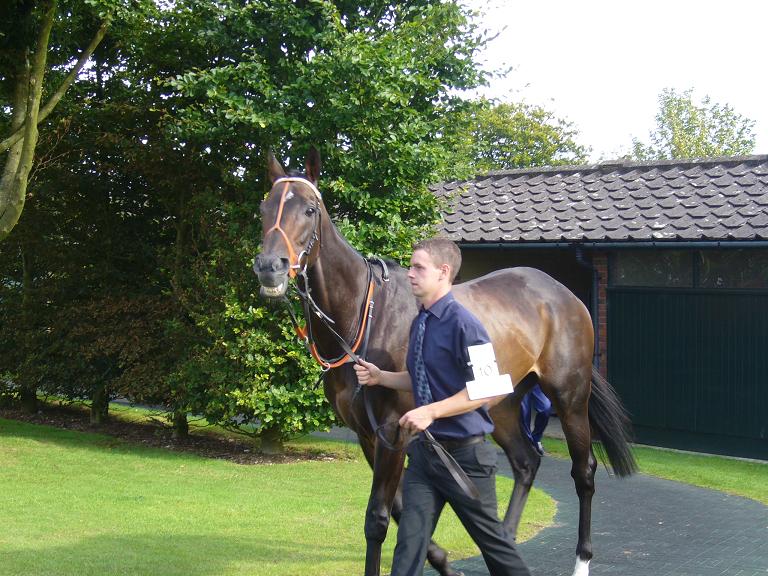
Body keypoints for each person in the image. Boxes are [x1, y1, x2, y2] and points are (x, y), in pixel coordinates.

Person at [354, 238, 530, 576]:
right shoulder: (421, 321)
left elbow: (488, 387)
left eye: (419, 267)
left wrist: (430, 411)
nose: (410, 274)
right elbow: (422, 378)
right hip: (425, 458)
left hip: (467, 460)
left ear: (443, 272)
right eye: (410, 266)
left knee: (498, 552)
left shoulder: (466, 325)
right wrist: (382, 377)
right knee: (408, 549)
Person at [520, 384, 551, 456]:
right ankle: (527, 443)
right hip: (521, 381)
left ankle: (536, 438)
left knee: (545, 408)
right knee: (524, 413)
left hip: (536, 382)